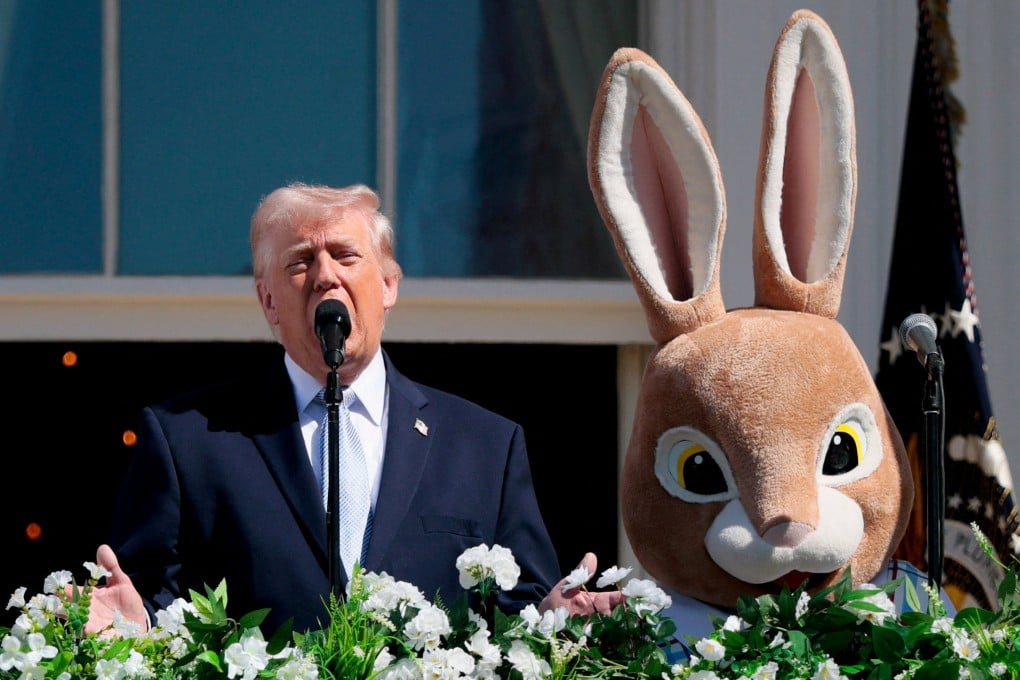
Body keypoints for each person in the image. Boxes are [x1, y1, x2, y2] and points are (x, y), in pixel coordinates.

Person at [83, 182, 620, 635]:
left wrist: (551, 621)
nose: (324, 276)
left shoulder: (484, 447)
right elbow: (152, 603)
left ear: (387, 285)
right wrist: (135, 628)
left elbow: (517, 616)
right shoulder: (187, 441)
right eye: (299, 262)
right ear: (268, 301)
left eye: (345, 256)